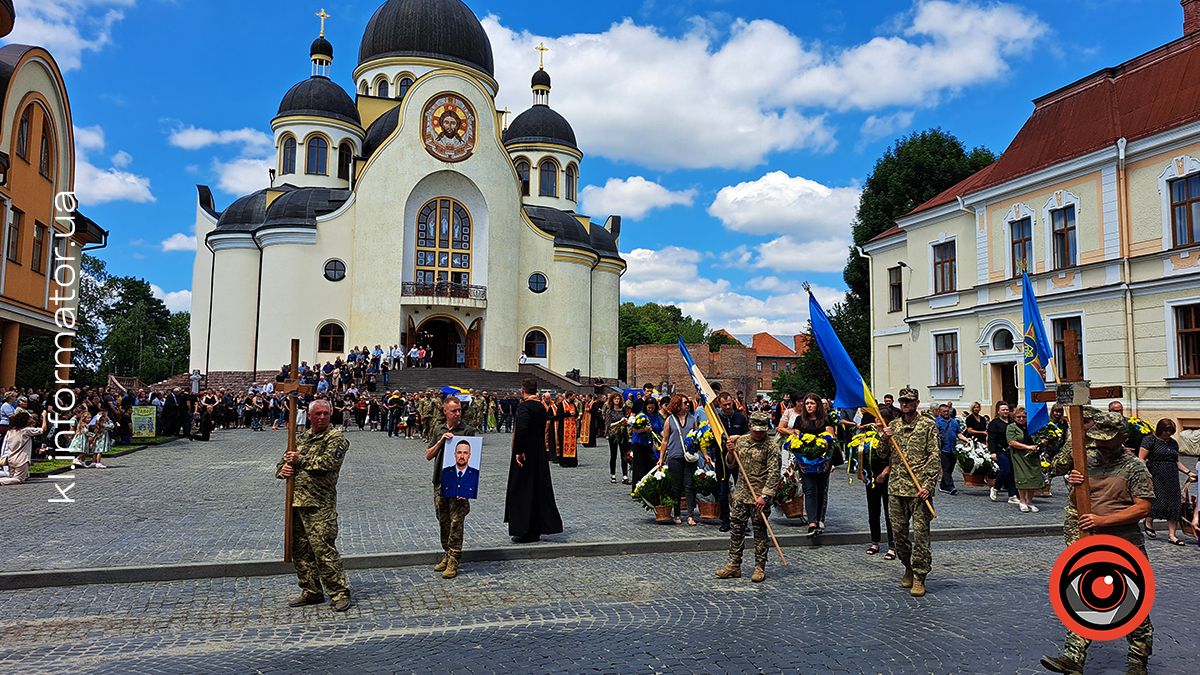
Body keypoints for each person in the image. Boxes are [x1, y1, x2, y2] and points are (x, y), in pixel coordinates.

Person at [1041, 412, 1154, 675]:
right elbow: (1076, 501)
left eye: (1108, 440)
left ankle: (1137, 661)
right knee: (1082, 597)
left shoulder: (1134, 467)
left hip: (1124, 545)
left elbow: (1143, 508)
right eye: (1098, 440)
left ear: (1123, 438)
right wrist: (1075, 484)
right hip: (1091, 542)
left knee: (1132, 604)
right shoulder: (1087, 461)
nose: (1101, 445)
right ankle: (1073, 658)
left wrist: (1103, 521)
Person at [275, 399, 352, 612]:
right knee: (300, 551)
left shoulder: (335, 438)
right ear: (309, 416)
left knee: (323, 550)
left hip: (320, 506)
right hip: (296, 503)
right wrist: (284, 470)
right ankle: (311, 590)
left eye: (325, 414)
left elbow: (327, 463)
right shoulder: (301, 438)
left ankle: (339, 592)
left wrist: (299, 460)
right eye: (317, 414)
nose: (322, 417)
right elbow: (282, 463)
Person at [879, 387, 939, 597]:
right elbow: (882, 454)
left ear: (916, 403)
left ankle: (920, 576)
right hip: (896, 487)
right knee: (899, 534)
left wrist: (928, 485)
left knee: (921, 535)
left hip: (919, 489)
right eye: (902, 401)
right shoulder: (893, 426)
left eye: (909, 401)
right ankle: (908, 566)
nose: (905, 404)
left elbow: (934, 457)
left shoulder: (927, 426)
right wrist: (884, 438)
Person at [714, 412, 780, 583]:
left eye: (762, 431)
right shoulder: (741, 442)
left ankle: (759, 566)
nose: (759, 434)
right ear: (750, 427)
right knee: (736, 530)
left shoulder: (771, 446)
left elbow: (774, 474)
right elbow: (731, 464)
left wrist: (764, 496)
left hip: (760, 496)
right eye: (756, 430)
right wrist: (729, 452)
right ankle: (734, 565)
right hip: (742, 493)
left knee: (759, 531)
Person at [504, 378, 563, 543]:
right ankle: (536, 528)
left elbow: (522, 429)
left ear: (523, 389)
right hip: (539, 452)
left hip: (526, 454)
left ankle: (525, 529)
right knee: (537, 488)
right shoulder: (541, 406)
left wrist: (519, 451)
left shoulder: (525, 406)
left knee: (523, 489)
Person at [425, 397, 477, 579]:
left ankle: (454, 558)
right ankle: (447, 553)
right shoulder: (438, 429)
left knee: (457, 521)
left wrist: (468, 488)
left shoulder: (468, 430)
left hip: (459, 482)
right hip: (440, 481)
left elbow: (474, 458)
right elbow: (428, 455)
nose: (457, 413)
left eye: (459, 410)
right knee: (443, 519)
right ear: (445, 411)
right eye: (453, 410)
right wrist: (441, 441)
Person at [778, 392, 834, 537]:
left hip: (822, 461)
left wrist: (827, 460)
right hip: (805, 462)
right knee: (809, 490)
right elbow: (795, 442)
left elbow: (831, 440)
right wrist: (799, 460)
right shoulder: (799, 420)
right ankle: (812, 522)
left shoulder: (825, 420)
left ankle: (820, 519)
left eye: (812, 403)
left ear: (818, 405)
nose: (808, 406)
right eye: (807, 403)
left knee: (821, 490)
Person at [1139, 419, 1195, 544]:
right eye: (1166, 431)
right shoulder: (1149, 440)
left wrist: (1188, 472)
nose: (1168, 434)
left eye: (1170, 432)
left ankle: (1172, 535)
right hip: (1155, 474)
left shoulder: (1173, 443)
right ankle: (1148, 522)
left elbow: (1176, 461)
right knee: (1156, 500)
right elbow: (1141, 459)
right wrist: (1146, 474)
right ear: (1160, 430)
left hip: (1171, 476)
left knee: (1174, 504)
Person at [658, 395, 698, 525]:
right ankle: (677, 514)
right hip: (674, 456)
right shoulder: (670, 420)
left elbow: (698, 438)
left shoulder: (692, 419)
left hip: (689, 457)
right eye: (685, 403)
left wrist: (702, 453)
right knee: (676, 487)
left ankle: (691, 515)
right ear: (677, 405)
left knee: (689, 485)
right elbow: (665, 441)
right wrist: (661, 458)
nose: (688, 405)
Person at [715, 392, 748, 532]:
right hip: (722, 459)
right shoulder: (716, 420)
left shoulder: (740, 417)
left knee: (741, 492)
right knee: (723, 492)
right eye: (725, 405)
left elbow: (748, 436)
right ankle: (725, 520)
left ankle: (742, 522)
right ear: (720, 405)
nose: (728, 407)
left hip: (738, 459)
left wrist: (738, 438)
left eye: (729, 404)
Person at [1006, 406, 1043, 513]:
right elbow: (1011, 442)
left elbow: (1037, 438)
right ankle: (1022, 501)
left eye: (1023, 417)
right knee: (1023, 478)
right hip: (1019, 456)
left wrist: (1042, 441)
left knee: (1033, 478)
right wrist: (1027, 447)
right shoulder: (1011, 427)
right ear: (1014, 417)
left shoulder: (1031, 427)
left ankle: (1029, 501)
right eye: (1018, 417)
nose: (1021, 419)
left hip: (1033, 456)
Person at [1, 411, 48, 486]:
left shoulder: (10, 431)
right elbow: (43, 429)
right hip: (21, 459)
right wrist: (44, 416)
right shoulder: (26, 431)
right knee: (19, 479)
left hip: (11, 458)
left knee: (12, 477)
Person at [987, 402, 1018, 504]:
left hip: (1012, 450)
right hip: (1000, 450)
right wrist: (992, 452)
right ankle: (995, 488)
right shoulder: (994, 423)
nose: (1005, 411)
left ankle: (1012, 495)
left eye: (1007, 410)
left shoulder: (1012, 422)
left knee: (1012, 472)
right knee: (1006, 470)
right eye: (1003, 410)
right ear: (998, 411)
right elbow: (991, 439)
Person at [629, 397, 663, 487]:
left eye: (653, 408)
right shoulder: (641, 416)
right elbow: (635, 429)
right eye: (649, 408)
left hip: (651, 445)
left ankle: (648, 486)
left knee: (650, 465)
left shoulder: (656, 416)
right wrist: (644, 429)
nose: (651, 410)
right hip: (640, 443)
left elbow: (660, 429)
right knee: (639, 466)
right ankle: (637, 487)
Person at [934, 403, 967, 495]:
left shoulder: (954, 422)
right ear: (939, 412)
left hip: (953, 448)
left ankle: (943, 486)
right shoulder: (936, 422)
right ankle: (950, 486)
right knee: (946, 468)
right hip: (943, 448)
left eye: (947, 411)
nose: (946, 413)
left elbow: (958, 434)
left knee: (951, 468)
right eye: (944, 411)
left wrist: (966, 440)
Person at [603, 394, 630, 484]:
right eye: (615, 399)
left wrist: (626, 422)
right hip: (613, 435)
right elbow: (608, 425)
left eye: (618, 399)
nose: (617, 400)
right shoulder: (609, 411)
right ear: (612, 400)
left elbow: (627, 421)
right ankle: (613, 474)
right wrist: (619, 422)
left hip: (623, 434)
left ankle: (625, 475)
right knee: (613, 455)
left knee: (624, 455)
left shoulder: (623, 411)